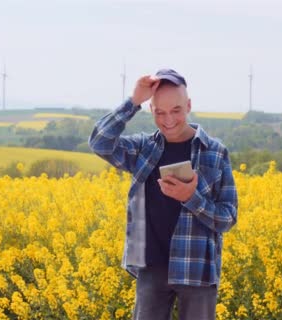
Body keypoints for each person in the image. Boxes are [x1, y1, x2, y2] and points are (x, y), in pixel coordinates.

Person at [88, 68, 238, 320]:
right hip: (151, 267)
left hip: (196, 268)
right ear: (151, 110)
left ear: (188, 105)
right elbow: (99, 142)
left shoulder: (214, 152)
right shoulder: (143, 148)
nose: (168, 120)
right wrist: (133, 101)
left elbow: (228, 218)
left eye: (176, 110)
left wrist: (191, 198)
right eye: (160, 112)